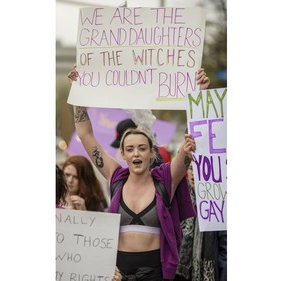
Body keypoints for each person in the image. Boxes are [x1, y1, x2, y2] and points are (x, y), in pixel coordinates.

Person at [67, 66, 210, 280]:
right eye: (130, 148)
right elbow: (86, 135)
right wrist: (78, 95)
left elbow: (191, 143)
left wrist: (201, 94)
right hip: (117, 274)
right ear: (122, 154)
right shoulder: (116, 177)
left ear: (152, 153)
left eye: (142, 148)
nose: (136, 153)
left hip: (157, 274)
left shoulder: (165, 179)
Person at [174, 164, 227, 281]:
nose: (194, 173)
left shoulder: (217, 202)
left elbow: (225, 248)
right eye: (191, 168)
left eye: (199, 169)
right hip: (180, 273)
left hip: (209, 274)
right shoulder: (178, 197)